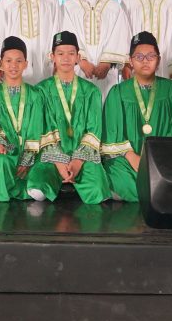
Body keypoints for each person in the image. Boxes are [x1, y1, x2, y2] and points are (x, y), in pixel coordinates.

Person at [27, 31, 110, 204]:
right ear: (52, 57)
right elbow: (41, 129)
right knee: (37, 191)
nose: (66, 58)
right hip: (51, 157)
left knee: (99, 192)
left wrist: (77, 161)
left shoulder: (91, 91)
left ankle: (73, 180)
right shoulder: (41, 90)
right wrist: (59, 162)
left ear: (78, 57)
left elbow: (94, 130)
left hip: (84, 157)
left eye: (71, 53)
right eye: (60, 53)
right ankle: (61, 180)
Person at [101, 32, 172, 201]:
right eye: (139, 57)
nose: (145, 61)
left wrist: (158, 161)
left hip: (163, 160)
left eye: (151, 56)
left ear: (158, 60)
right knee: (118, 176)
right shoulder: (118, 92)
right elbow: (112, 134)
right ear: (130, 61)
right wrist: (133, 158)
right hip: (127, 160)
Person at [0, 36, 53, 201]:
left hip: (33, 155)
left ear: (26, 64)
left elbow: (39, 128)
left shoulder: (36, 95)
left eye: (19, 61)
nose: (13, 65)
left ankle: (17, 187)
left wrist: (27, 159)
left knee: (41, 189)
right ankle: (6, 196)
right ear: (0, 64)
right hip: (6, 150)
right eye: (8, 61)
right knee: (1, 161)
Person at [61, 0, 130, 98]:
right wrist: (82, 61)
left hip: (106, 72)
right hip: (77, 67)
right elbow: (66, 33)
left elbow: (120, 35)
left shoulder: (113, 6)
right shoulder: (69, 6)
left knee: (105, 103)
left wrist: (106, 63)